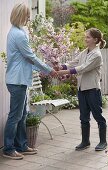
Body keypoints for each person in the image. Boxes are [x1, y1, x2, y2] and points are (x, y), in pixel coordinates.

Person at [3, 3, 57, 160]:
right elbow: (30, 57)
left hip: (20, 79)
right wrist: (48, 69)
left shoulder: (19, 31)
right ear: (20, 15)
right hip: (17, 80)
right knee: (15, 115)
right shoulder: (18, 34)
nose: (29, 18)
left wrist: (43, 69)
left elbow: (25, 59)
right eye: (27, 15)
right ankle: (8, 148)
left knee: (23, 113)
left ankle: (21, 145)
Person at [57, 28, 107, 151]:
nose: (85, 39)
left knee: (98, 116)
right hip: (82, 89)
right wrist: (59, 66)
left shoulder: (97, 55)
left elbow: (83, 68)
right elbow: (73, 62)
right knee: (83, 117)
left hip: (92, 90)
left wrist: (63, 71)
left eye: (88, 37)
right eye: (85, 37)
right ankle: (85, 142)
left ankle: (103, 141)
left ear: (95, 40)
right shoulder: (85, 52)